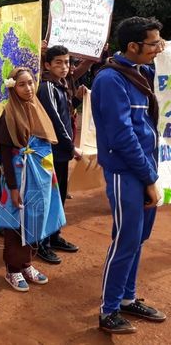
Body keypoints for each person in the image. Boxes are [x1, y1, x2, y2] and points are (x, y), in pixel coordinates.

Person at [92, 17, 167, 334]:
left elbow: (157, 67)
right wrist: (149, 178)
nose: (158, 48)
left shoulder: (140, 72)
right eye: (153, 43)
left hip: (146, 167)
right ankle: (108, 310)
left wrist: (159, 50)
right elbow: (123, 136)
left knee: (139, 238)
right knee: (125, 239)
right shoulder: (111, 80)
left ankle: (127, 298)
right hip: (127, 171)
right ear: (133, 46)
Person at [0, 67, 65, 292]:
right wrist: (13, 188)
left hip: (39, 178)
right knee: (16, 223)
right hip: (18, 176)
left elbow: (44, 144)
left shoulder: (37, 108)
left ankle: (26, 264)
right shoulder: (10, 113)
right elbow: (5, 153)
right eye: (22, 84)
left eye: (30, 83)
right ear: (13, 87)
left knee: (34, 219)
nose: (28, 88)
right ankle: (12, 269)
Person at [35, 45, 84, 264]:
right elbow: (55, 121)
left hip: (61, 152)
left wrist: (79, 98)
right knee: (48, 198)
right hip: (49, 151)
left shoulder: (61, 84)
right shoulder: (46, 87)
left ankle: (54, 237)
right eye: (58, 63)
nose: (64, 67)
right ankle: (42, 244)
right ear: (47, 65)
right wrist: (71, 145)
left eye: (67, 62)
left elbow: (66, 113)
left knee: (60, 196)